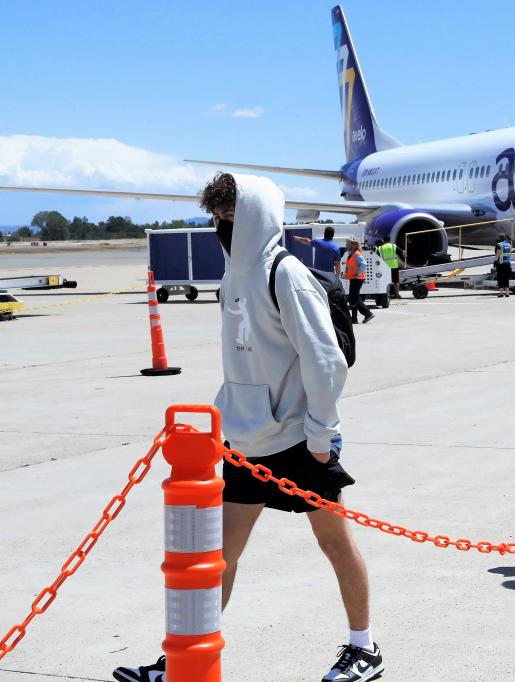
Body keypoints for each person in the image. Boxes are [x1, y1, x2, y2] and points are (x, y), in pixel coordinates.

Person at [113, 173, 383, 682]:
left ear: (256, 216)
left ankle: (363, 648)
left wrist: (322, 436)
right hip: (244, 442)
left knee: (335, 545)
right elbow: (244, 359)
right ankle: (183, 660)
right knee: (219, 557)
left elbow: (326, 363)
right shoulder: (234, 277)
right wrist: (227, 421)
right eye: (217, 218)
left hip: (302, 440)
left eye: (232, 217)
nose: (222, 227)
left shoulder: (287, 275)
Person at [345, 238, 375, 324]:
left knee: (354, 298)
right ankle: (354, 319)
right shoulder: (351, 254)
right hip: (354, 278)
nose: (346, 245)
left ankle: (367, 313)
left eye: (348, 243)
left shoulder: (357, 254)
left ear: (353, 245)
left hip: (357, 279)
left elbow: (364, 264)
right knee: (352, 298)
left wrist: (358, 274)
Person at [494, 233, 512, 298]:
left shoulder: (499, 245)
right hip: (507, 264)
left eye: (497, 238)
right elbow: (510, 254)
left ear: (499, 239)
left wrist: (495, 261)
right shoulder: (509, 245)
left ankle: (501, 293)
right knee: (506, 278)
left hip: (500, 264)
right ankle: (507, 293)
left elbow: (498, 254)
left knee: (500, 278)